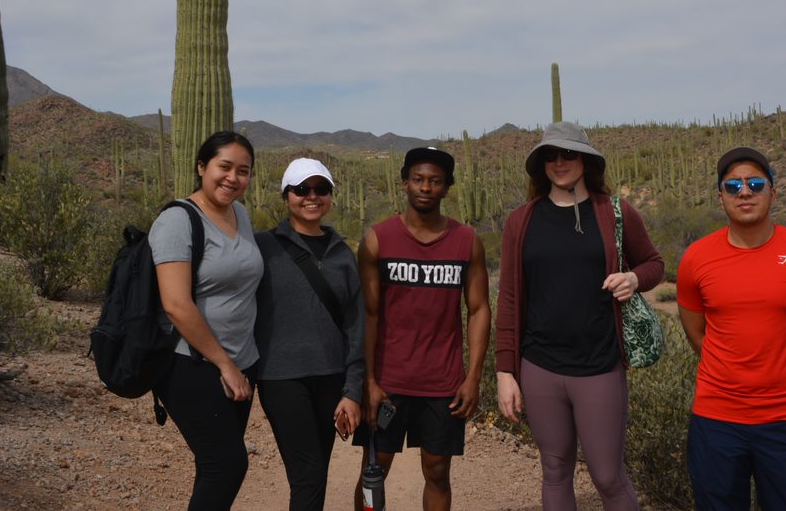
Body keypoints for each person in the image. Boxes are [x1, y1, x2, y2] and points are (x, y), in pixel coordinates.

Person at [495, 122, 664, 511]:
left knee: (608, 476)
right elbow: (509, 298)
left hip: (600, 365)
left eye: (568, 153)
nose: (559, 162)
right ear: (540, 165)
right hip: (539, 365)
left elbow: (655, 263)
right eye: (550, 156)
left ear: (586, 161)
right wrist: (506, 371)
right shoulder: (522, 221)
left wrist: (634, 278)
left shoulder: (614, 212)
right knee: (555, 470)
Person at [676, 146, 786, 510]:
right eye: (733, 185)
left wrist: (785, 368)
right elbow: (695, 332)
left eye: (755, 183)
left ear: (773, 192)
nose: (745, 192)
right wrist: (729, 369)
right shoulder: (696, 258)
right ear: (721, 197)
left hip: (784, 418)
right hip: (716, 419)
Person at [352, 146, 490, 511]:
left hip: (442, 384)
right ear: (404, 184)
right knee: (373, 470)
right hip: (388, 381)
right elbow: (368, 314)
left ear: (447, 188)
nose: (425, 187)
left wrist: (473, 376)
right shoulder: (377, 240)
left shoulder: (466, 241)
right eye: (418, 179)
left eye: (435, 181)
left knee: (438, 472)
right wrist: (367, 381)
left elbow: (478, 310)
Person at [149, 131, 264, 510]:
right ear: (201, 167)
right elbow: (176, 304)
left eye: (243, 171)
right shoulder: (177, 220)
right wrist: (225, 365)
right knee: (226, 464)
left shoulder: (240, 214)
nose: (233, 178)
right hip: (191, 362)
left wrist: (240, 363)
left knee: (214, 466)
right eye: (224, 167)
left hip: (241, 362)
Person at [254, 157, 365, 510]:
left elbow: (356, 325)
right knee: (308, 471)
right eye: (301, 189)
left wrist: (353, 390)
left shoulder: (343, 254)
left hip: (331, 377)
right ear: (286, 195)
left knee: (315, 473)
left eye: (321, 189)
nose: (311, 196)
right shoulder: (262, 247)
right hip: (281, 377)